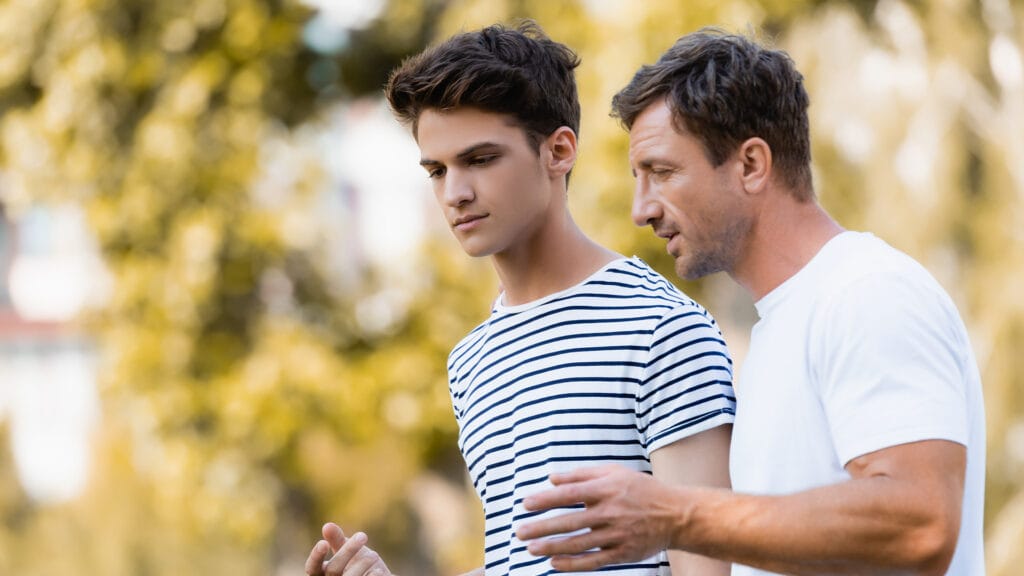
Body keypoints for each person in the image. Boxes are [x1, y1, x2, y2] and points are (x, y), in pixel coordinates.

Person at [514, 28, 987, 575]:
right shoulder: (779, 329)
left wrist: (676, 515)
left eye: (662, 173)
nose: (641, 210)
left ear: (751, 165)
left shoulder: (866, 292)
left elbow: (922, 522)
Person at [304, 21, 738, 576]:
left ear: (558, 151)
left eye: (480, 159)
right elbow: (522, 564)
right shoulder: (471, 360)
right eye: (437, 170)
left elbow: (709, 568)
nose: (455, 193)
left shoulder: (661, 329)